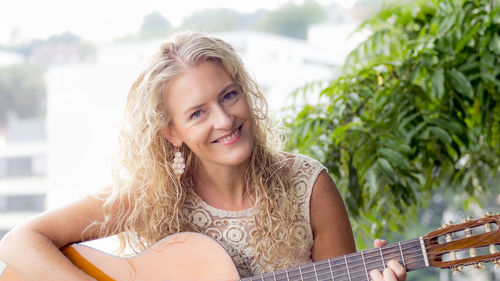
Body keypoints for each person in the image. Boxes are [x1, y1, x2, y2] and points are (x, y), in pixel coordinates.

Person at [0, 32, 406, 281]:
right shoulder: (152, 194)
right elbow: (19, 242)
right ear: (171, 133)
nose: (225, 119)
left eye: (229, 95)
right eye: (198, 113)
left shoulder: (308, 186)